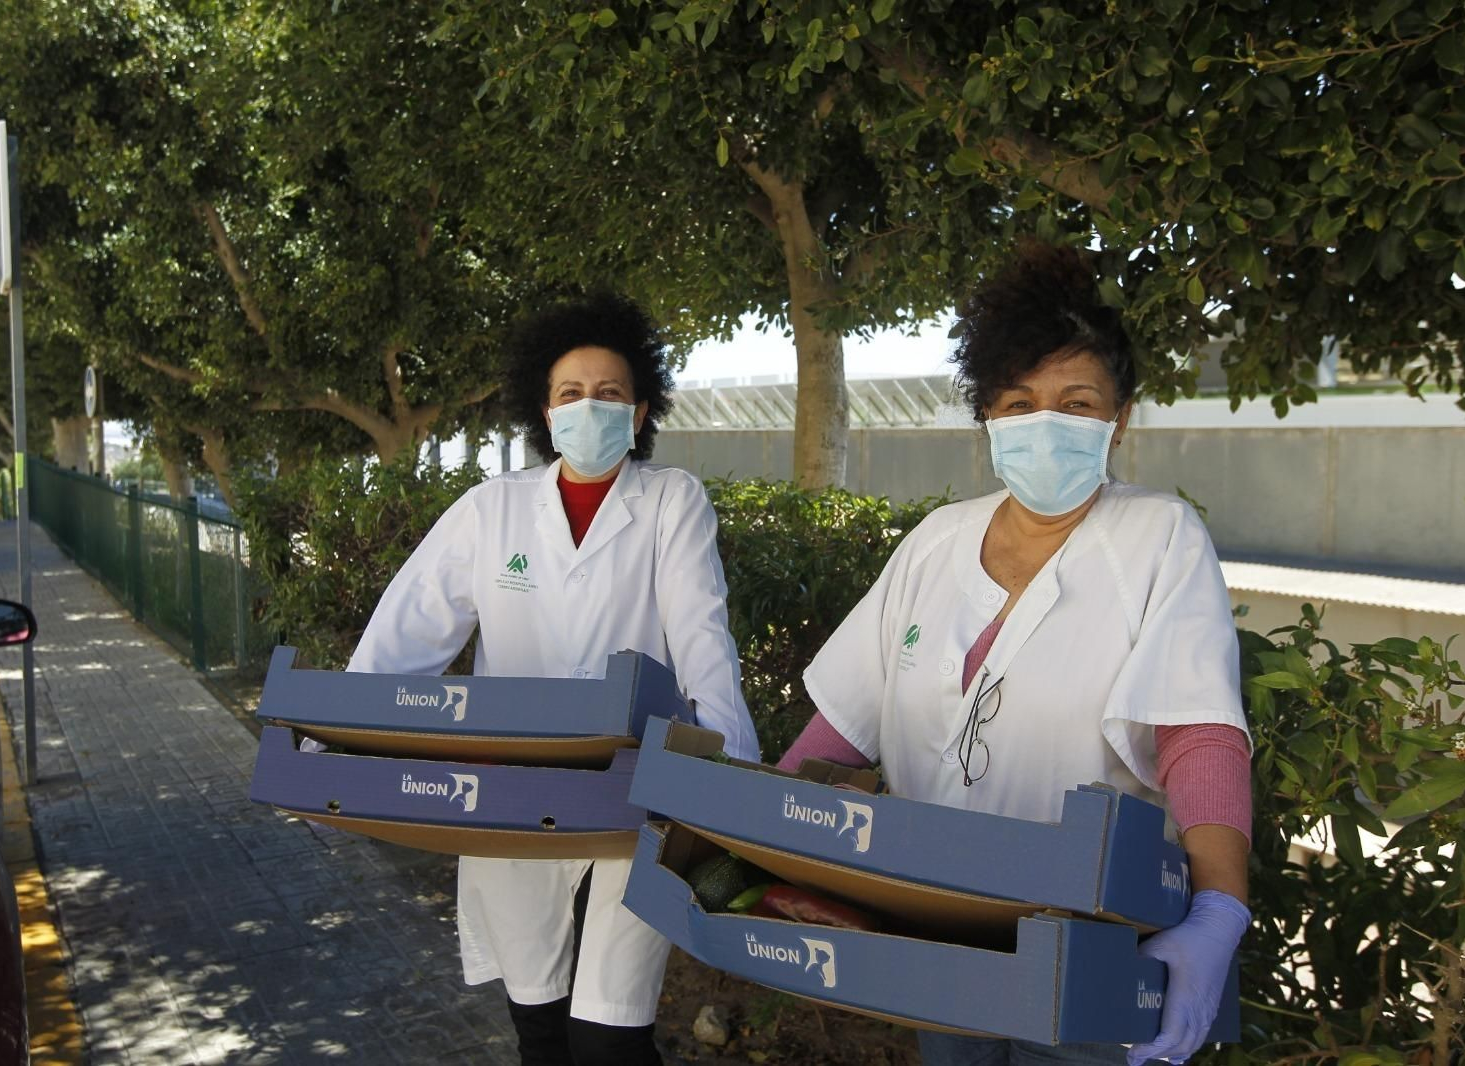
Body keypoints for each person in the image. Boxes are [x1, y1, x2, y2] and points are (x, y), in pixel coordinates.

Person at [782, 245, 1253, 1066]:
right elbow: (844, 727)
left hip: (1093, 935)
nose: (1046, 424)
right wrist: (757, 837)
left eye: (1077, 403)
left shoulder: (1157, 537)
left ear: (1119, 419)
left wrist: (1219, 911)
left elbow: (1197, 729)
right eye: (1019, 402)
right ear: (989, 417)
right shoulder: (935, 543)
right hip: (937, 925)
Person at [347, 292, 759, 1066]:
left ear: (639, 412)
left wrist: (730, 776)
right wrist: (339, 737)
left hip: (633, 797)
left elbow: (704, 639)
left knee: (608, 1039)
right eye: (571, 392)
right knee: (540, 1031)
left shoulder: (671, 502)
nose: (588, 407)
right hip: (512, 794)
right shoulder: (490, 510)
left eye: (609, 392)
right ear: (545, 410)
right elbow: (407, 633)